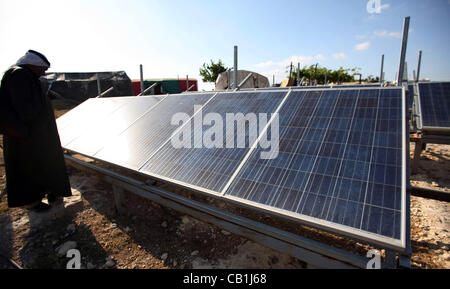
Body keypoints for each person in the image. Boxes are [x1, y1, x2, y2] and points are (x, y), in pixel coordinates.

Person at [0, 50, 72, 212]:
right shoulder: (19, 75)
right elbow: (25, 107)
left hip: (36, 134)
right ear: (33, 64)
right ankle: (31, 202)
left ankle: (52, 191)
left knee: (45, 163)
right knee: (29, 168)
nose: (44, 71)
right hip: (27, 136)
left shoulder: (26, 76)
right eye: (43, 68)